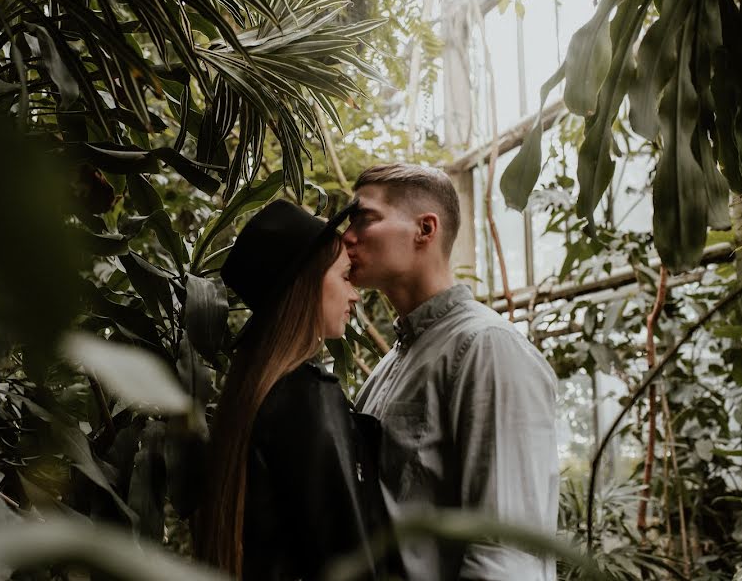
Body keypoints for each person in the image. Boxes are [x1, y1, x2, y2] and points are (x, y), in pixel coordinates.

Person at [343, 163, 559, 581]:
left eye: (365, 218)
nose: (348, 235)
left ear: (425, 229)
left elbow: (505, 550)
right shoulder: (392, 364)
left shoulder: (489, 348)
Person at [193, 199, 397, 581]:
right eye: (344, 276)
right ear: (306, 284)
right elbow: (348, 558)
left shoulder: (253, 390)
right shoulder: (308, 396)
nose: (355, 294)